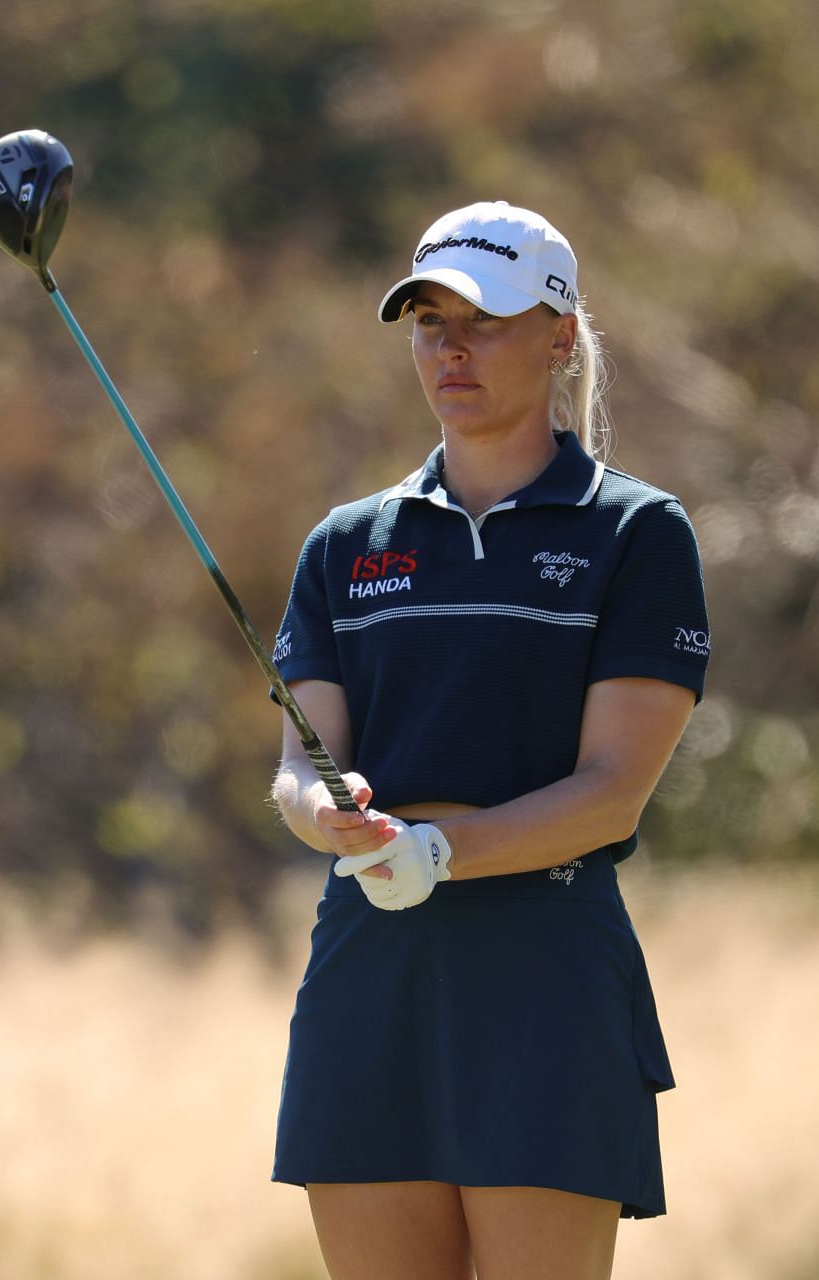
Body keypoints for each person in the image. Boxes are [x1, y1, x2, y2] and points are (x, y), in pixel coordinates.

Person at [267, 201, 711, 1280]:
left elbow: (613, 791)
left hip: (544, 969)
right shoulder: (346, 544)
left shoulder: (636, 533)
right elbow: (297, 763)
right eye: (427, 320)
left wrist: (440, 851)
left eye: (485, 319)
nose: (449, 348)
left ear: (561, 335)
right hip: (373, 966)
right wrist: (330, 811)